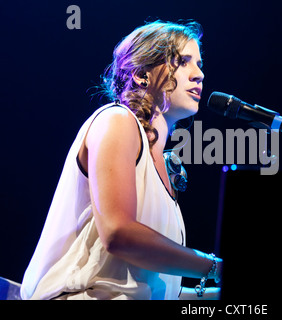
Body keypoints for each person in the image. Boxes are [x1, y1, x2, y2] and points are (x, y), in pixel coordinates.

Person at [20, 20, 222, 300]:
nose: (199, 74)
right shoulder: (117, 120)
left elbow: (146, 287)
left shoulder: (162, 166)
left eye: (199, 64)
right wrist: (214, 267)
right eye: (182, 61)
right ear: (142, 75)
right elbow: (119, 233)